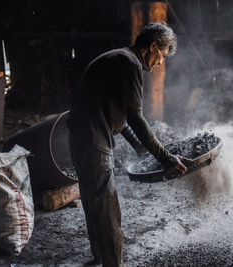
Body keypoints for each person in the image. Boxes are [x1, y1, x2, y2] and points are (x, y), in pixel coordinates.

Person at [67, 22, 191, 267]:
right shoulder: (131, 64)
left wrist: (142, 150)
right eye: (162, 56)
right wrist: (165, 157)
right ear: (153, 46)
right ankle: (113, 263)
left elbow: (119, 117)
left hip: (80, 138)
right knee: (108, 209)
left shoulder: (118, 59)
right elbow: (135, 115)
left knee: (94, 204)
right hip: (94, 141)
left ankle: (100, 256)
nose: (160, 64)